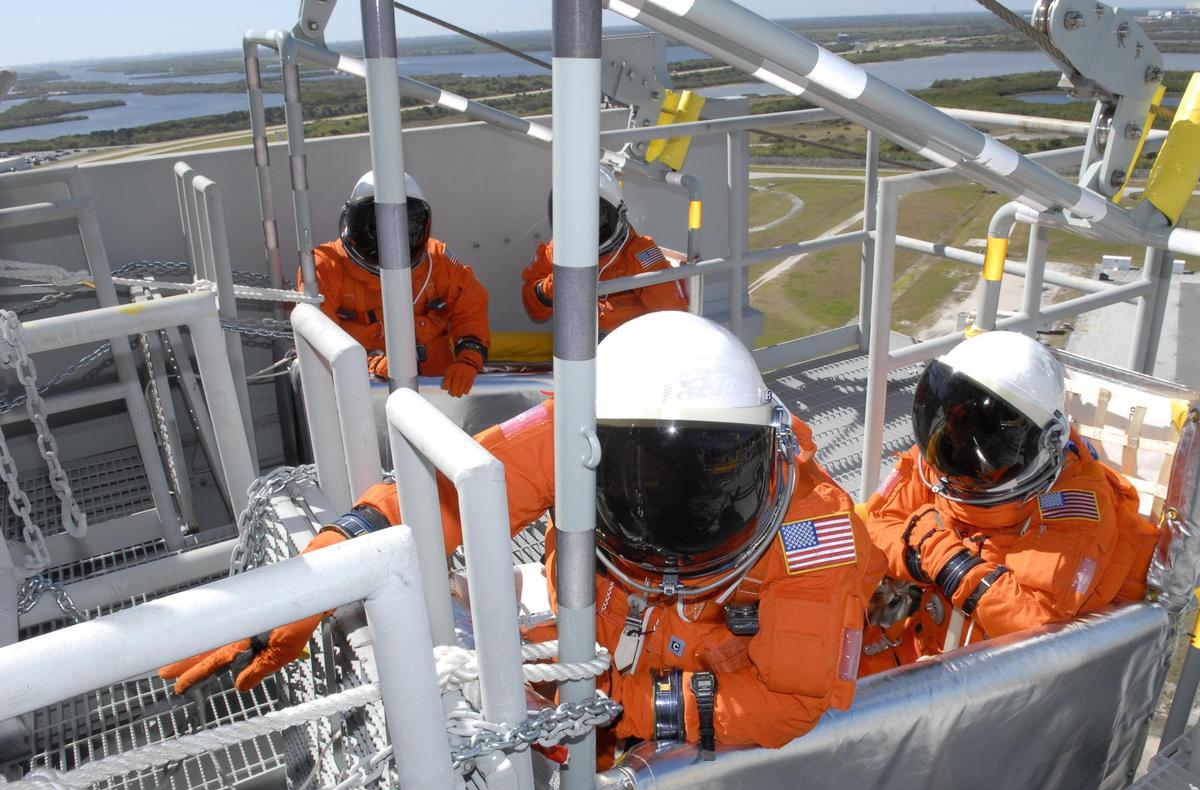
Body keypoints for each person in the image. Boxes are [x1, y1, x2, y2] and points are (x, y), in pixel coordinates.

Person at [162, 312, 888, 752]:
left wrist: (624, 706)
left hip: (678, 697)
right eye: (650, 482)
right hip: (595, 650)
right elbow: (442, 491)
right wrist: (316, 579)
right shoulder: (583, 424)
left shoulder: (815, 531)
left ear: (765, 456)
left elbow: (789, 704)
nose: (671, 523)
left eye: (703, 480)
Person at [864, 331, 1157, 660]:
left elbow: (1036, 629)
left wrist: (946, 563)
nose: (962, 444)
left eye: (986, 433)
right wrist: (916, 558)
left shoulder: (1075, 509)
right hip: (927, 647)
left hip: (1000, 682)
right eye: (957, 416)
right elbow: (871, 527)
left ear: (1044, 444)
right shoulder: (942, 457)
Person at [304, 170, 490, 397]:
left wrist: (469, 359)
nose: (389, 242)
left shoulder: (437, 260)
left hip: (439, 390)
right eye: (376, 227)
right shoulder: (325, 268)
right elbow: (320, 339)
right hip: (362, 395)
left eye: (403, 227)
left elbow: (471, 308)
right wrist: (370, 362)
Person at [522, 166, 688, 335]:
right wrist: (556, 283)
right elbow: (533, 309)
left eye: (592, 216)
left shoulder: (640, 255)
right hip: (575, 351)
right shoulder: (557, 251)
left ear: (617, 215)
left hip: (627, 351)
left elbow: (676, 322)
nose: (581, 227)